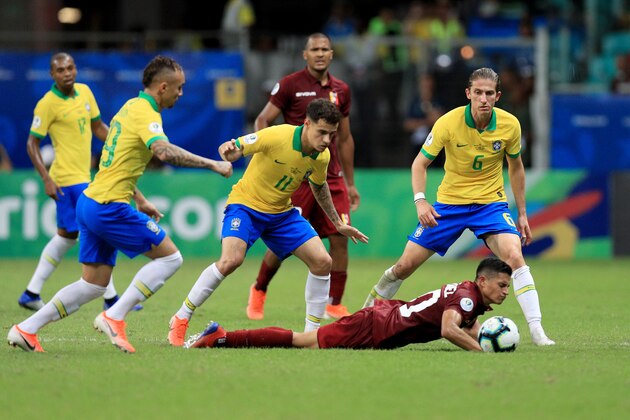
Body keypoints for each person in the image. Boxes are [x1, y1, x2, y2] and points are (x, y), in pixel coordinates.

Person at [7, 55, 233, 353]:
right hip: (108, 206)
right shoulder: (146, 113)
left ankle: (26, 329)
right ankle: (114, 316)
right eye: (179, 88)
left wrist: (139, 199)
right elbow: (163, 152)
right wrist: (212, 164)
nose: (181, 94)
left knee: (93, 285)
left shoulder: (129, 106)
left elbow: (116, 162)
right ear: (163, 87)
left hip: (91, 201)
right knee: (170, 259)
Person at [361, 67, 555, 346]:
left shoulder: (510, 124)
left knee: (515, 256)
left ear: (498, 96)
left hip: (490, 205)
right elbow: (420, 164)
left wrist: (522, 213)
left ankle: (537, 331)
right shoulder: (448, 123)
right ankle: (368, 312)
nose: (483, 99)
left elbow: (516, 167)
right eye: (478, 93)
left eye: (489, 93)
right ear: (469, 94)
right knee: (403, 266)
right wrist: (421, 201)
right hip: (449, 206)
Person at [167, 98, 368, 346]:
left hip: (282, 214)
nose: (326, 140)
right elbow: (235, 147)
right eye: (322, 132)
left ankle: (310, 335)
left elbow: (319, 185)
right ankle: (181, 317)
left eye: (332, 135)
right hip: (246, 207)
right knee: (231, 260)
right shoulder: (277, 136)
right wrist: (228, 151)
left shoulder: (321, 156)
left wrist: (337, 223)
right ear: (306, 123)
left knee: (323, 261)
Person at [246, 32, 361, 321]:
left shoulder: (341, 90)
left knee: (339, 238)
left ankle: (334, 303)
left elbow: (345, 139)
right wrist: (267, 158)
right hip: (297, 175)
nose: (320, 53)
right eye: (315, 49)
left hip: (330, 175)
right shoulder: (289, 84)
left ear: (332, 55)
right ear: (305, 54)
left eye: (325, 49)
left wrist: (350, 182)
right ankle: (259, 288)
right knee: (284, 243)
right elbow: (263, 119)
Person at [17, 52, 138, 312]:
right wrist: (46, 178)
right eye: (60, 70)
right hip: (66, 180)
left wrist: (119, 145)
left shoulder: (85, 93)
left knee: (67, 237)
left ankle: (31, 292)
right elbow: (32, 143)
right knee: (96, 231)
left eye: (70, 68)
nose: (67, 73)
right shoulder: (47, 103)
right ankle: (111, 299)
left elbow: (98, 128)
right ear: (52, 75)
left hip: (84, 176)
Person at [185, 257, 512, 352]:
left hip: (384, 319)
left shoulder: (469, 297)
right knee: (305, 342)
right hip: (375, 327)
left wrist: (484, 336)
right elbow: (447, 328)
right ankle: (222, 337)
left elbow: (465, 324)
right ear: (482, 281)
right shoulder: (468, 298)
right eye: (502, 285)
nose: (505, 292)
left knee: (306, 341)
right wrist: (480, 350)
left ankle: (222, 337)